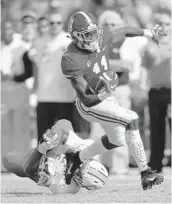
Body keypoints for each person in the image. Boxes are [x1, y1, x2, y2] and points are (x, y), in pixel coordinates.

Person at [61, 11, 166, 190]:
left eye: (94, 33)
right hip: (90, 105)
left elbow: (124, 31)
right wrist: (103, 93)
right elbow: (85, 98)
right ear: (76, 37)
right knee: (132, 118)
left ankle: (76, 158)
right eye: (87, 35)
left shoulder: (100, 38)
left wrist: (149, 33)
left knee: (117, 140)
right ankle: (145, 172)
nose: (93, 38)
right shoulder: (71, 58)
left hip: (107, 98)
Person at [2, 119, 108, 194]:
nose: (77, 172)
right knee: (63, 125)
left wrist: (41, 150)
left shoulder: (68, 188)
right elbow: (64, 125)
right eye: (81, 170)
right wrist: (53, 142)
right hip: (52, 148)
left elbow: (30, 171)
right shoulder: (87, 149)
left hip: (37, 160)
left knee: (7, 159)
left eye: (80, 176)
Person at [143, 11, 171, 173]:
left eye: (167, 23)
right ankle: (155, 164)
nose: (164, 26)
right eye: (160, 23)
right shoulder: (151, 44)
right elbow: (147, 65)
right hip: (155, 90)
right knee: (156, 128)